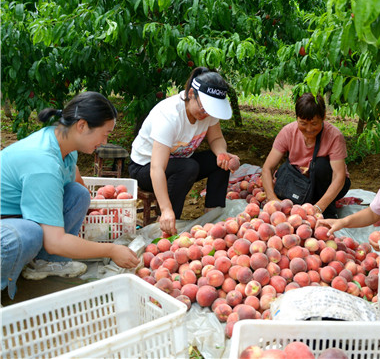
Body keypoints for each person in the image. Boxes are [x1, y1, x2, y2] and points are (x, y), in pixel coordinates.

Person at [0, 92, 139, 299]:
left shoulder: (63, 141)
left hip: (18, 211)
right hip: (7, 224)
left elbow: (76, 180)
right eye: (105, 133)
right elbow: (55, 241)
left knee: (79, 194)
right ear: (82, 126)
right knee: (28, 235)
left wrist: (98, 208)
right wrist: (110, 250)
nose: (105, 141)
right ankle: (5, 289)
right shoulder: (43, 164)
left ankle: (44, 263)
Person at [129, 67, 239, 235]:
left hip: (179, 161)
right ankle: (166, 223)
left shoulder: (208, 112)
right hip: (144, 168)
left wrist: (222, 154)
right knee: (188, 167)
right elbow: (156, 168)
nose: (207, 114)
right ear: (191, 95)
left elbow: (216, 139)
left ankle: (213, 218)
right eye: (204, 108)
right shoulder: (169, 116)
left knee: (217, 162)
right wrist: (166, 209)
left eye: (211, 110)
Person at [261, 92, 351, 218]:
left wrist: (319, 207)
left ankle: (328, 210)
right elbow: (267, 168)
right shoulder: (288, 132)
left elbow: (339, 176)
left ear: (324, 117)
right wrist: (272, 199)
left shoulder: (334, 136)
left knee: (321, 166)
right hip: (300, 182)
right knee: (282, 170)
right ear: (296, 118)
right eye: (303, 123)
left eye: (314, 124)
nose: (309, 129)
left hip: (326, 182)